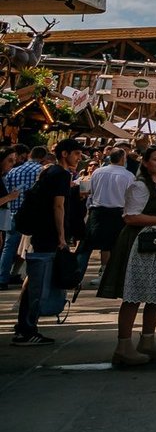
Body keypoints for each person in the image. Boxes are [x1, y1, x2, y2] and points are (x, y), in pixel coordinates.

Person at [105, 144, 156, 367]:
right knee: (135, 293)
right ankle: (123, 346)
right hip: (143, 243)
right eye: (155, 159)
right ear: (146, 162)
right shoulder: (139, 186)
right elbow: (130, 217)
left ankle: (148, 340)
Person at [12, 139, 83, 347]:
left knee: (33, 279)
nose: (79, 158)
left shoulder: (49, 172)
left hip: (40, 232)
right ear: (64, 154)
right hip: (49, 234)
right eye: (76, 154)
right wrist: (62, 237)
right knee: (38, 282)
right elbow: (58, 206)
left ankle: (24, 327)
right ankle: (27, 329)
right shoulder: (60, 174)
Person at [79, 146, 135, 281]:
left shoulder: (98, 172)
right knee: (111, 245)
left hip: (97, 212)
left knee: (86, 245)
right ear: (122, 159)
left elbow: (90, 191)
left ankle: (77, 273)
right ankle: (106, 273)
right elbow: (131, 197)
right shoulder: (128, 176)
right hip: (117, 213)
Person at [1, 144, 45, 291]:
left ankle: (3, 277)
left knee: (8, 247)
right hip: (30, 215)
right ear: (43, 158)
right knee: (28, 248)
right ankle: (26, 276)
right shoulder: (41, 171)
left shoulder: (12, 171)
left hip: (11, 213)